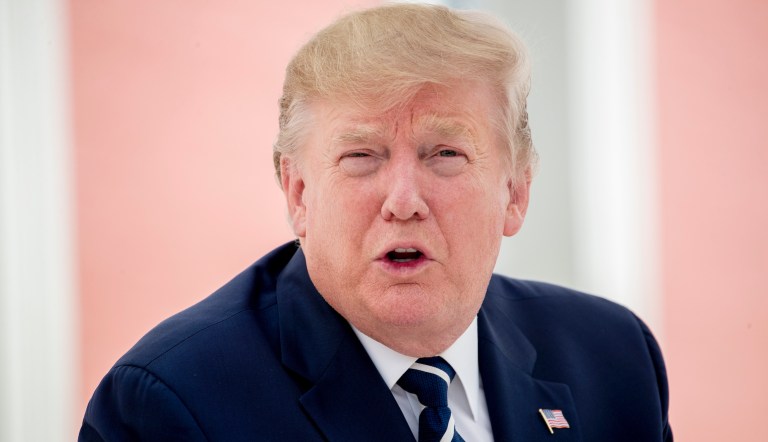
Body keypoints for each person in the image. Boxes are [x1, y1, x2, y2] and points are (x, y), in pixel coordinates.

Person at [79, 4, 672, 441]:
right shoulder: (170, 404)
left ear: (515, 192)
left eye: (446, 154)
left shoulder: (614, 359)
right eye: (361, 157)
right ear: (299, 193)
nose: (404, 200)